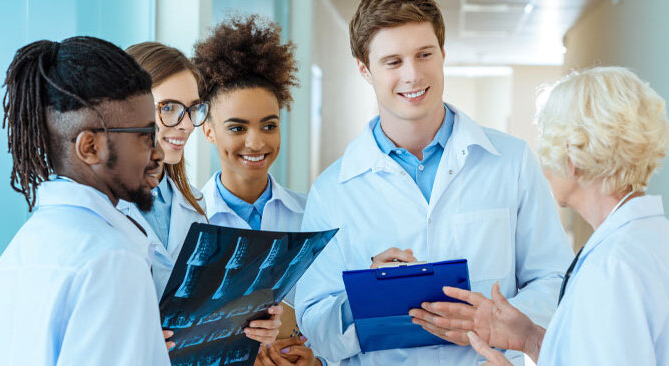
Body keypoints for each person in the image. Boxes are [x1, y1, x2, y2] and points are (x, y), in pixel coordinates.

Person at [294, 0, 574, 364]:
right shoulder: (332, 191)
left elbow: (554, 279)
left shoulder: (511, 161)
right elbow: (314, 328)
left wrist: (499, 321)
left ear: (443, 53)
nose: (412, 75)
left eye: (424, 55)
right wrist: (362, 299)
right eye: (392, 62)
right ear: (365, 70)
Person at [445, 67, 669, 365]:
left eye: (547, 138)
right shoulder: (650, 238)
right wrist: (532, 339)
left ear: (573, 157)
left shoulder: (612, 267)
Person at [0, 36, 170, 364]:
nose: (158, 152)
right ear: (90, 148)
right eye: (145, 137)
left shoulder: (15, 257)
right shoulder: (113, 260)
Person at [121, 41, 283, 347]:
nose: (184, 125)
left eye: (192, 109)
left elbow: (199, 315)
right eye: (167, 108)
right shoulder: (105, 206)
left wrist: (253, 327)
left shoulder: (194, 206)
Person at [193, 16, 321, 366]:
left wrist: (318, 361)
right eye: (237, 127)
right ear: (208, 130)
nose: (256, 142)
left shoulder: (311, 215)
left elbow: (329, 318)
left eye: (269, 125)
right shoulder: (189, 221)